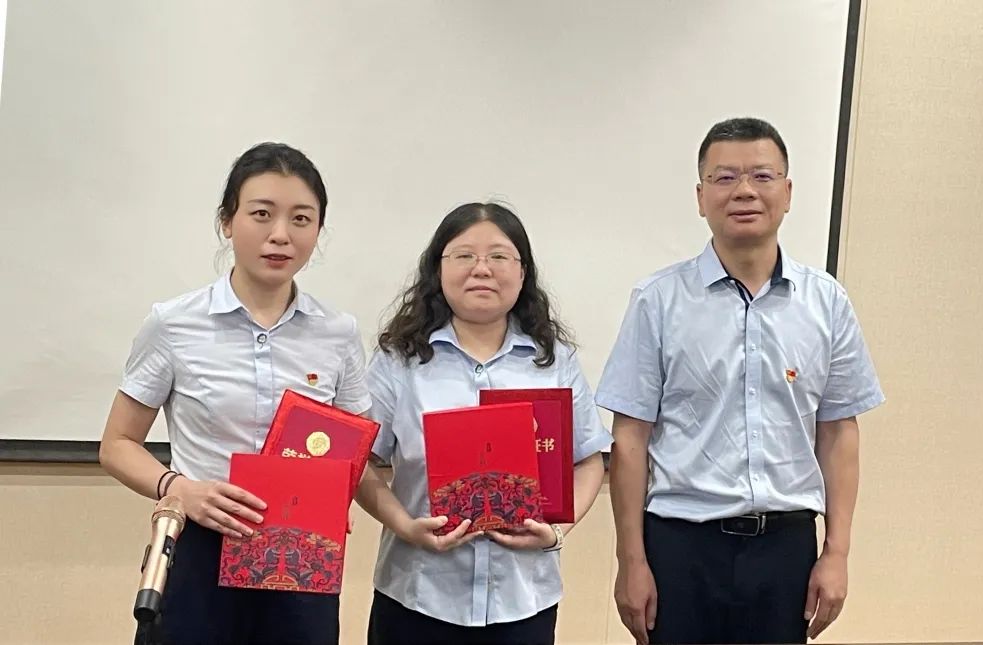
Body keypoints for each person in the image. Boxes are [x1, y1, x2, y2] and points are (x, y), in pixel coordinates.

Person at [597, 117, 885, 645]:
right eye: (725, 178)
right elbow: (630, 438)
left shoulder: (826, 302)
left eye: (762, 176)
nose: (745, 191)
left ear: (788, 192)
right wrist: (630, 560)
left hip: (786, 550)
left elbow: (839, 432)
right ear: (701, 197)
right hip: (680, 547)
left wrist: (837, 552)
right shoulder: (657, 301)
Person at [98, 142, 370, 644]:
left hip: (301, 554)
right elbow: (117, 445)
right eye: (262, 214)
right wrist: (180, 489)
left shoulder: (338, 332)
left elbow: (354, 447)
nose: (281, 234)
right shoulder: (174, 323)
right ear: (227, 221)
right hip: (200, 547)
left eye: (301, 219)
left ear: (318, 231)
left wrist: (338, 498)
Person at [354, 202, 612, 645]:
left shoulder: (552, 361)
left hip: (523, 596)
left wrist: (556, 533)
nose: (482, 269)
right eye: (464, 255)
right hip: (418, 593)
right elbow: (360, 462)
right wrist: (404, 526)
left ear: (523, 272)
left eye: (498, 256)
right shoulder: (400, 360)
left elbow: (588, 460)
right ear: (438, 269)